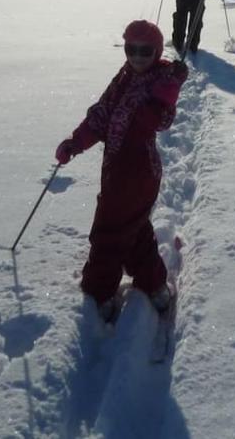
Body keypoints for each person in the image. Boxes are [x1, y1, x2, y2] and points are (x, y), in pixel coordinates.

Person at [54, 20, 189, 321]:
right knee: (134, 228)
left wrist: (168, 93)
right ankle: (154, 286)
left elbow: (156, 121)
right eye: (132, 49)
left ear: (156, 51)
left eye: (146, 51)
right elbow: (102, 114)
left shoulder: (161, 81)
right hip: (116, 168)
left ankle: (99, 295)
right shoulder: (124, 76)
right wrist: (76, 142)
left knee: (108, 234)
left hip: (138, 171)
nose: (138, 56)